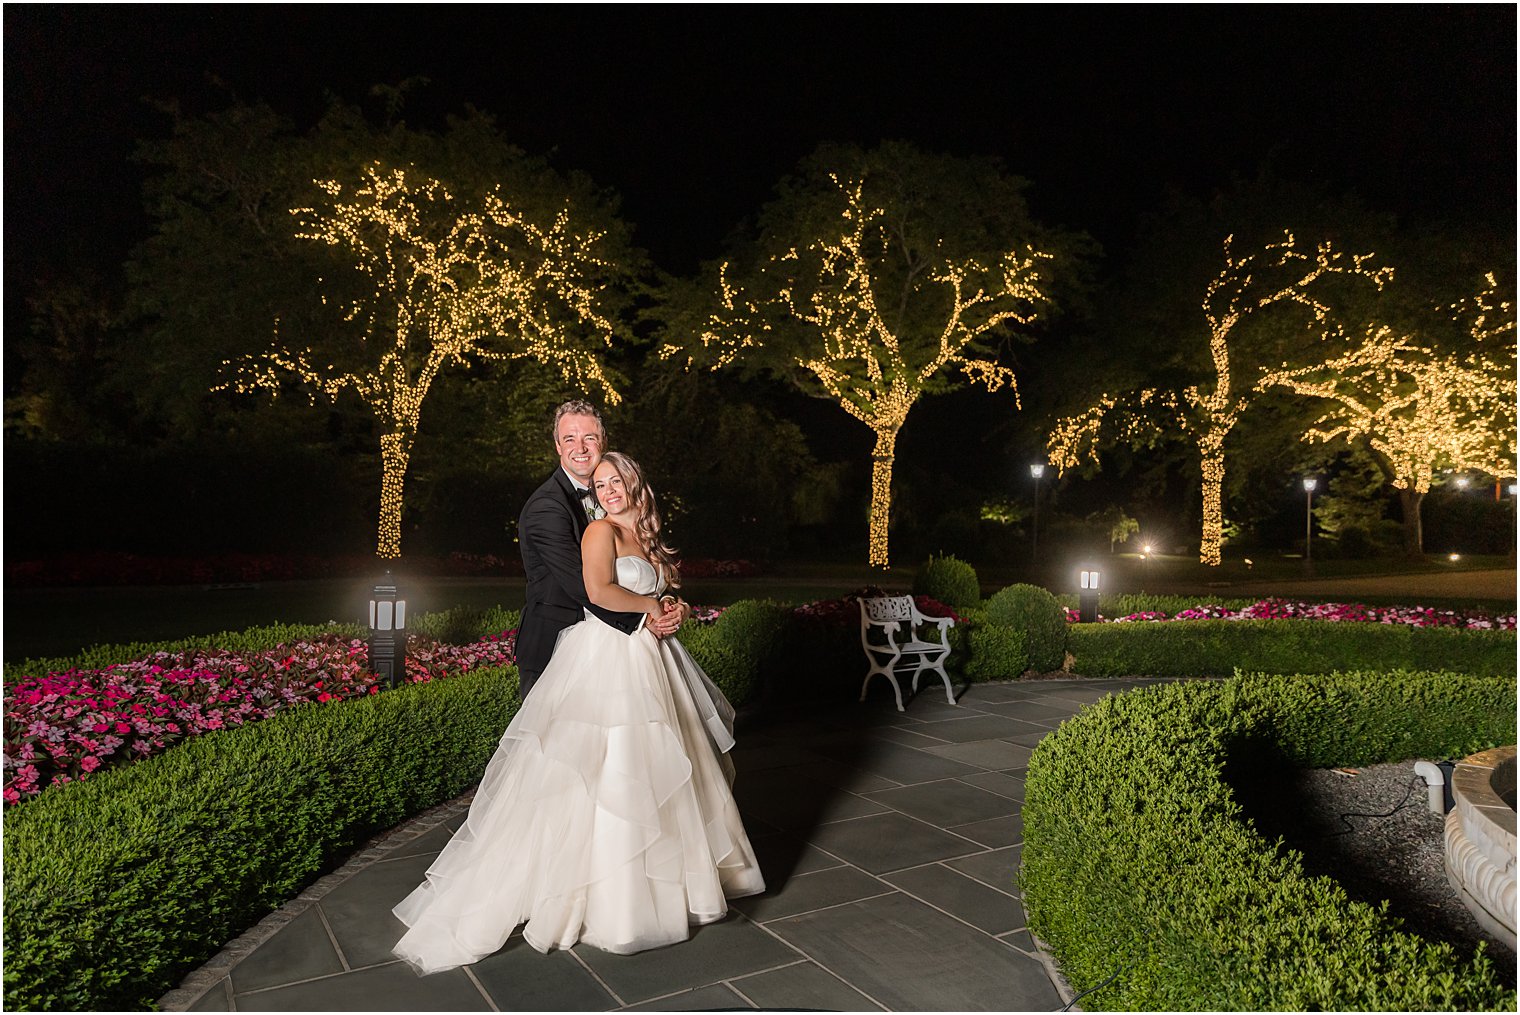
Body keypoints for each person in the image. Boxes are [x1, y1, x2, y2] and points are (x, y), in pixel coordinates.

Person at [392, 451, 765, 971]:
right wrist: (653, 608)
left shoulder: (646, 536)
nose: (609, 489)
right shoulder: (599, 533)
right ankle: (616, 905)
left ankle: (682, 887)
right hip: (609, 658)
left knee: (666, 766)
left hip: (652, 655)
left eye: (617, 480)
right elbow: (598, 591)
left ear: (636, 483)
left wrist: (672, 605)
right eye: (601, 483)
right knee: (614, 769)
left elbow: (658, 589)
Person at [514, 400, 682, 698]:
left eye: (589, 438)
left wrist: (671, 604)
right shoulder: (546, 507)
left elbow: (643, 569)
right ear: (557, 447)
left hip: (616, 646)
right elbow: (582, 584)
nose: (580, 447)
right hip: (557, 645)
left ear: (603, 441)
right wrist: (647, 617)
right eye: (569, 439)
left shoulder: (616, 502)